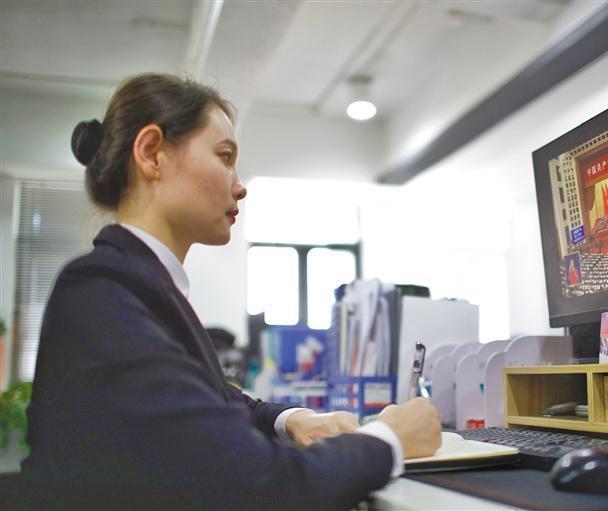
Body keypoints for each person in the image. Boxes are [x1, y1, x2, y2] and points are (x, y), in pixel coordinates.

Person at [21, 73, 441, 511]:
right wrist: (390, 438)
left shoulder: (138, 284)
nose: (240, 186)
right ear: (151, 153)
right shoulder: (99, 292)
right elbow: (261, 485)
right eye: (225, 157)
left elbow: (212, 395)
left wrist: (291, 418)